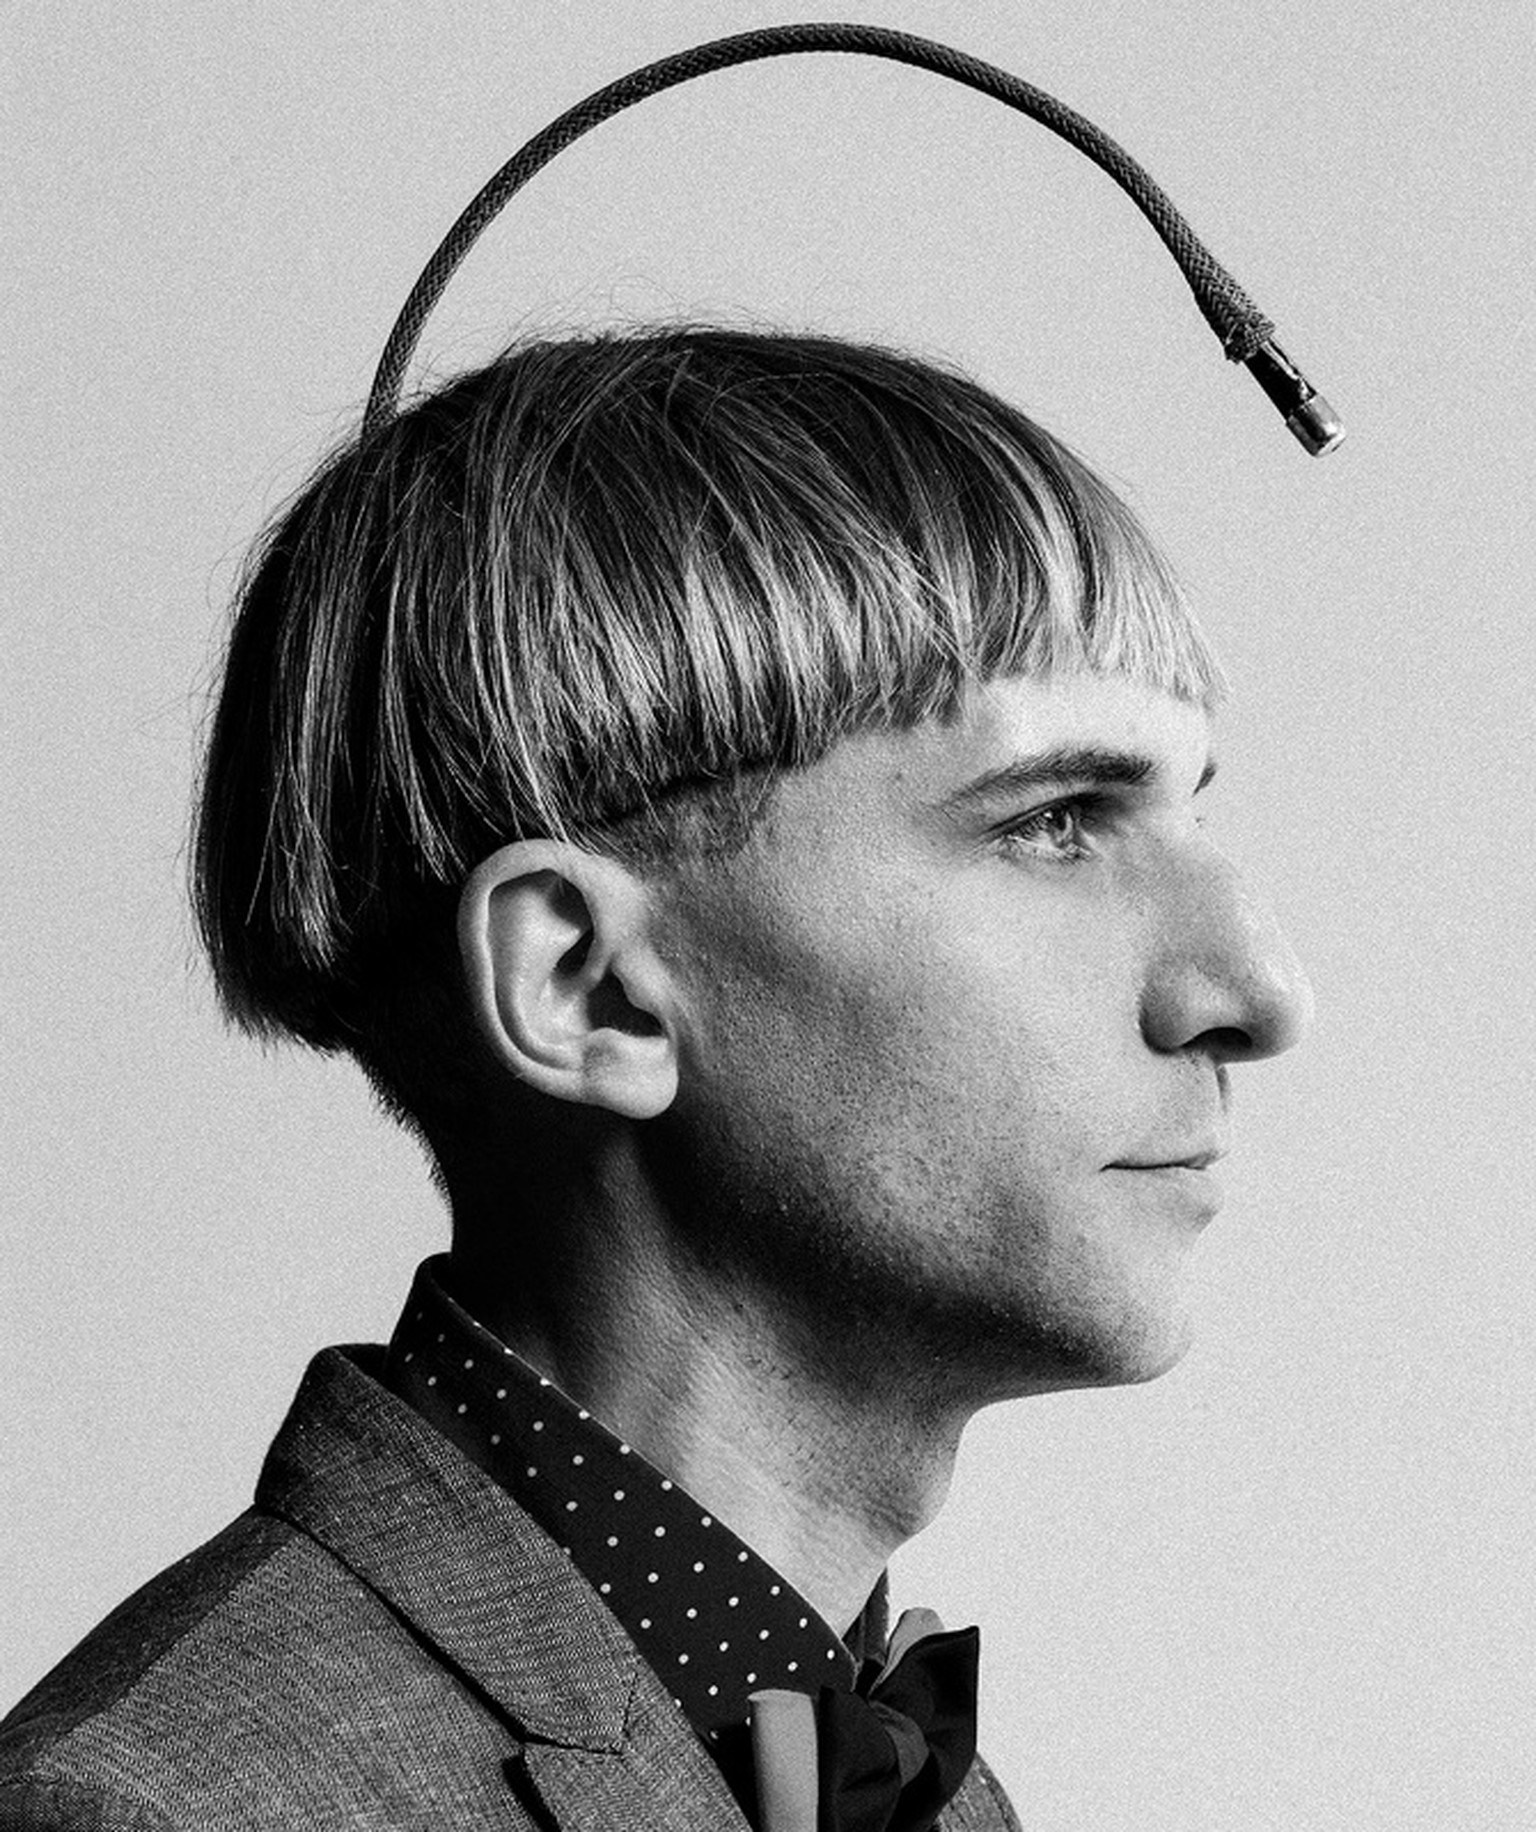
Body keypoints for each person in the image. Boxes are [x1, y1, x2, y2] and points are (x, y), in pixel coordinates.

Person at [0, 325, 1310, 1831]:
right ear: (586, 988)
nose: (1261, 994)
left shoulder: (879, 1767)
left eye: (1188, 811)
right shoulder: (153, 1813)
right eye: (1053, 821)